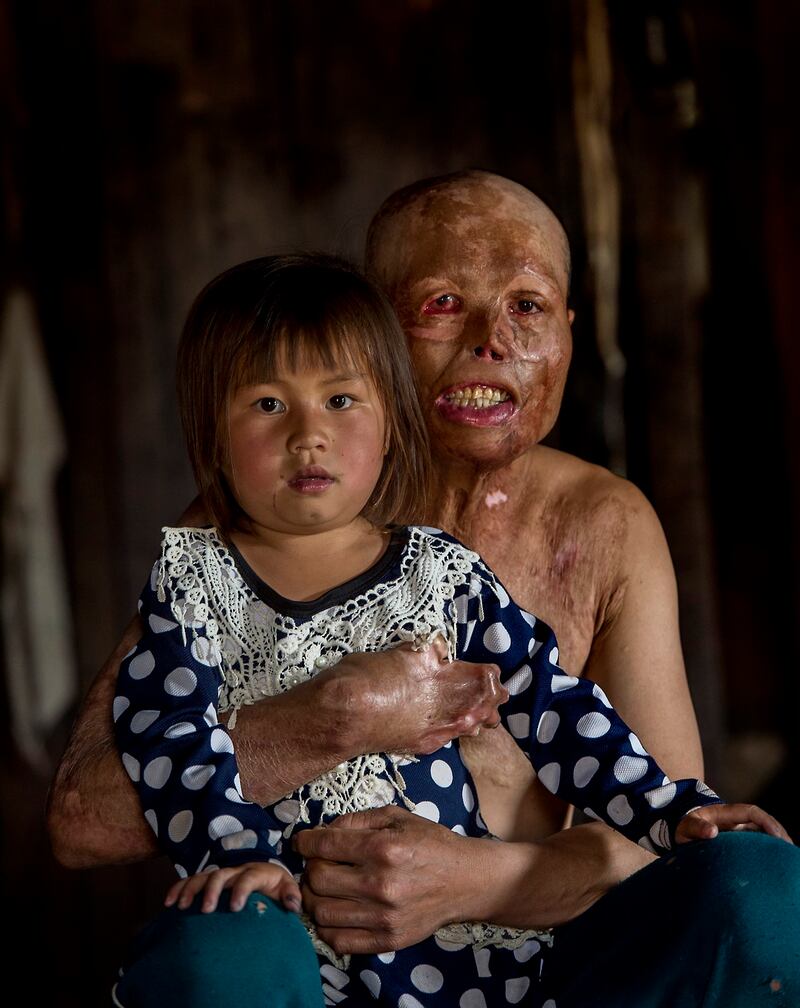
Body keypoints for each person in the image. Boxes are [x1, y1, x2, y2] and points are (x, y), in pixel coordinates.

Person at [49, 172, 800, 1007]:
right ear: (373, 334)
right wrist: (331, 722)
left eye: (527, 305)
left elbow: (635, 806)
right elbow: (91, 808)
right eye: (442, 304)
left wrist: (475, 880)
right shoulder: (233, 542)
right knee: (218, 955)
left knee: (758, 887)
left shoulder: (569, 536)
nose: (492, 340)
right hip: (310, 956)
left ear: (568, 331)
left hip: (513, 971)